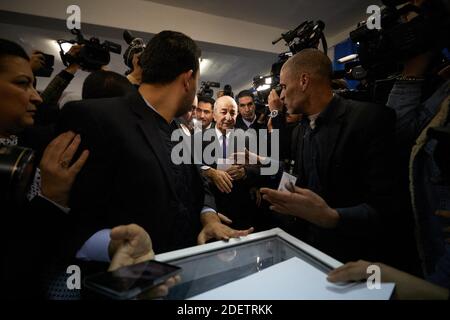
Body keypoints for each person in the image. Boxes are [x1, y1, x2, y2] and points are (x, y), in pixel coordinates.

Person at [57, 31, 253, 262]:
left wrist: (208, 216)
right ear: (188, 80)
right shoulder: (93, 118)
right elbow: (67, 220)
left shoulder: (179, 130)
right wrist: (113, 246)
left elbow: (195, 186)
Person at [260, 48, 396, 262]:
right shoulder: (299, 131)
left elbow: (389, 208)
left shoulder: (370, 120)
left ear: (304, 81)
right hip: (311, 253)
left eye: (284, 86)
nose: (282, 95)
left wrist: (333, 217)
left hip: (358, 260)